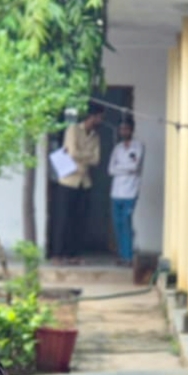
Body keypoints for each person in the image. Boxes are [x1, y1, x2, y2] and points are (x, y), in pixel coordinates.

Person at [52, 101, 104, 263]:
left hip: (84, 181)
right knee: (63, 219)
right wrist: (86, 155)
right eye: (100, 117)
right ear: (92, 117)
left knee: (78, 220)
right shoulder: (73, 129)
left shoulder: (95, 136)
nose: (101, 120)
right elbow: (72, 153)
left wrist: (81, 155)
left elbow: (96, 159)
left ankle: (72, 254)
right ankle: (57, 254)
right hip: (68, 180)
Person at [108, 116, 144, 266]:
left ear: (132, 130)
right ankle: (122, 255)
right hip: (116, 192)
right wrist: (126, 169)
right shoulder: (117, 148)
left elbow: (135, 167)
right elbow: (110, 170)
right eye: (122, 129)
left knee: (126, 223)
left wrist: (120, 168)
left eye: (126, 129)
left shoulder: (138, 146)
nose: (124, 131)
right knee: (117, 224)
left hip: (130, 192)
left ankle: (128, 256)